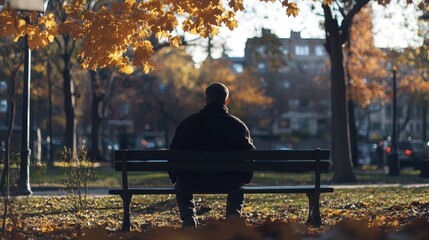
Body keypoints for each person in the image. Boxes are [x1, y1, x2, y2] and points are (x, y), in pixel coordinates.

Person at [169, 82, 255, 229]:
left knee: (180, 185)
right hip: (229, 181)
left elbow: (174, 154)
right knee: (239, 187)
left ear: (206, 100)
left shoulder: (188, 124)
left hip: (192, 180)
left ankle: (189, 219)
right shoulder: (238, 126)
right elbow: (249, 155)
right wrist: (244, 178)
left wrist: (175, 176)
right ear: (226, 101)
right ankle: (233, 219)